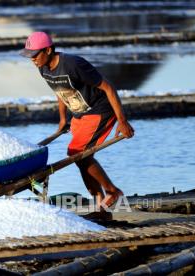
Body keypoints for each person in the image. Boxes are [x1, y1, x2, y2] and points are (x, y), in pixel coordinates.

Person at [20, 31, 134, 219]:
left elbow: (108, 87)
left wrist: (122, 121)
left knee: (77, 154)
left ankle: (113, 192)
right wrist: (63, 119)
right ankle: (102, 209)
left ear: (48, 50)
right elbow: (59, 90)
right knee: (82, 159)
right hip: (79, 114)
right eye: (29, 56)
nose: (32, 60)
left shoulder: (73, 64)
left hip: (99, 110)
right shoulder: (43, 68)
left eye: (34, 55)